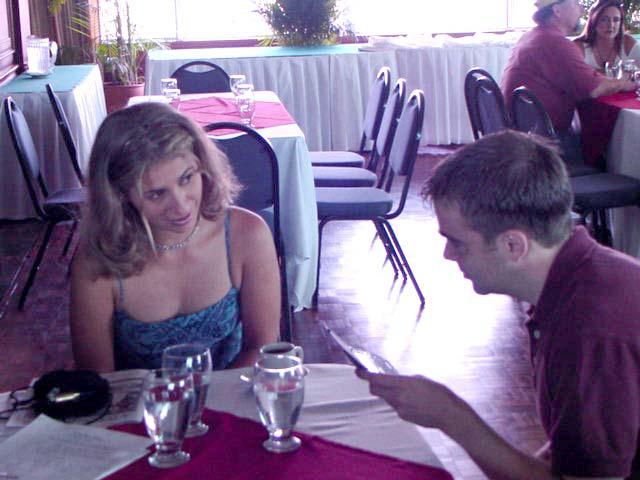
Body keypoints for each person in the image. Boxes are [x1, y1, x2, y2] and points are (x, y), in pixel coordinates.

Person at [357, 130, 640, 479]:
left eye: (458, 243)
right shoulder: (580, 279)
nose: (447, 255)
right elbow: (573, 450)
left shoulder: (591, 328)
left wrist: (453, 417)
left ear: (513, 246)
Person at [70, 102, 281, 372]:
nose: (181, 206)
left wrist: (209, 397)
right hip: (137, 400)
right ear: (119, 195)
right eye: (156, 194)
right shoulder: (99, 261)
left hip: (233, 395)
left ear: (202, 165)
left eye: (186, 178)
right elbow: (97, 378)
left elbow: (262, 346)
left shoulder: (247, 235)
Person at [501, 0, 635, 134]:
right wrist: (624, 84)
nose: (581, 9)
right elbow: (594, 88)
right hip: (539, 136)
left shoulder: (533, 36)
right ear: (557, 11)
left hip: (519, 129)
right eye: (575, 3)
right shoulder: (554, 43)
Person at [574, 0, 640, 73]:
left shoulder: (628, 43)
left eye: (616, 20)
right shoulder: (578, 46)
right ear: (594, 21)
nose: (611, 25)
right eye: (604, 19)